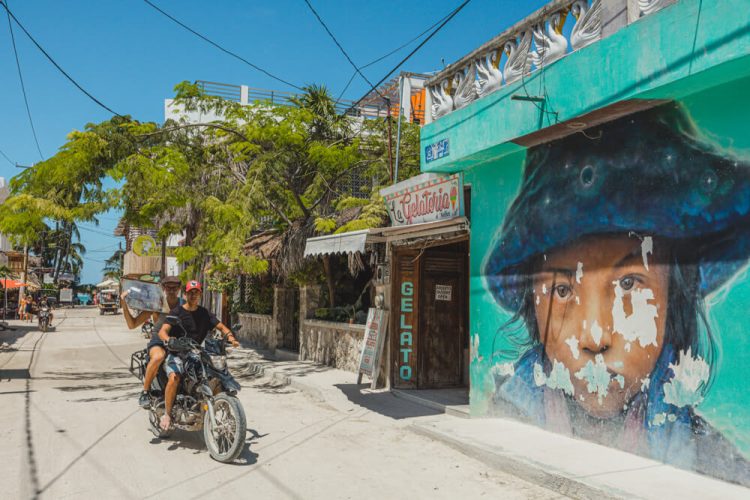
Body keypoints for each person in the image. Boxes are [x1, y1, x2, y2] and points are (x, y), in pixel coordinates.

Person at [484, 103, 750, 485]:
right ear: (533, 307)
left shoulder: (716, 467)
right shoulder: (505, 422)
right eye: (562, 289)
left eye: (629, 285)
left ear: (674, 296)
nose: (595, 337)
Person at [157, 280, 239, 431]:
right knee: (174, 376)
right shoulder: (177, 312)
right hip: (177, 353)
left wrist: (231, 337)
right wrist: (170, 341)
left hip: (196, 353)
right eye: (191, 292)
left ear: (200, 294)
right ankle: (167, 414)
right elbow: (162, 331)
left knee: (213, 375)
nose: (194, 295)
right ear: (186, 294)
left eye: (197, 292)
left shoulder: (204, 313)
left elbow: (220, 326)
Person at [121, 276, 183, 408]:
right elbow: (132, 325)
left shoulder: (185, 304)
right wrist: (124, 305)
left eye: (175, 288)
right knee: (158, 356)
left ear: (179, 289)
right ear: (163, 288)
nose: (171, 290)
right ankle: (145, 391)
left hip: (179, 341)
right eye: (168, 287)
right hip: (159, 340)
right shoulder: (156, 305)